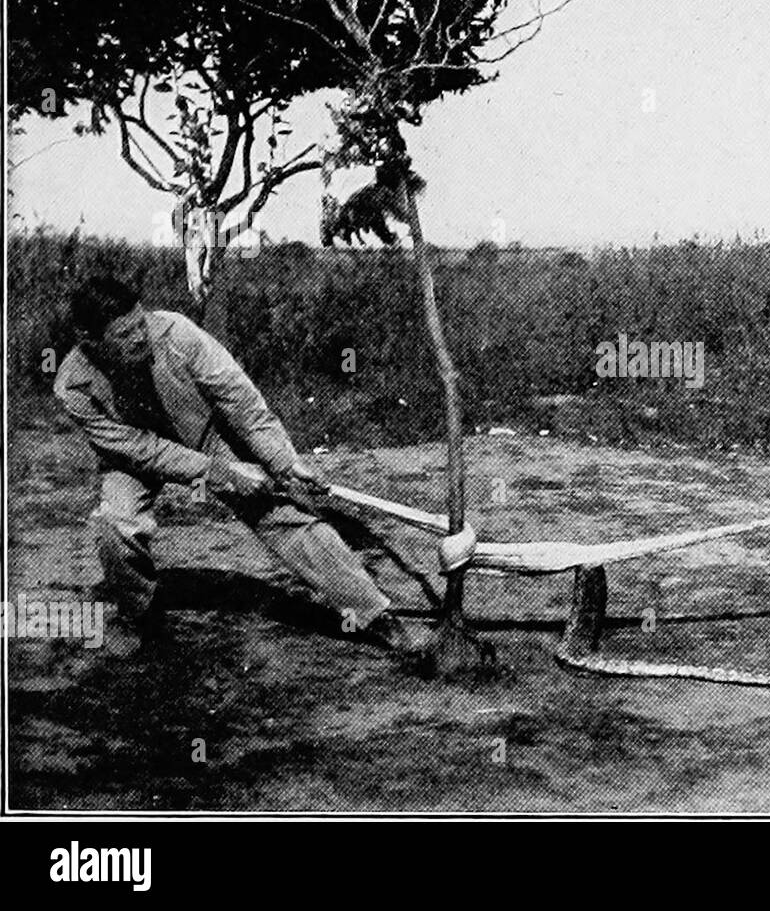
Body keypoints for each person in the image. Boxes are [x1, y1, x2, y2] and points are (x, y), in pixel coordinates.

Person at [53, 273, 473, 674]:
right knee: (114, 525)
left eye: (140, 323)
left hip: (207, 433)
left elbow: (240, 401)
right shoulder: (72, 386)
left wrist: (281, 460)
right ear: (90, 341)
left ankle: (378, 618)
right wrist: (222, 473)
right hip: (137, 458)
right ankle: (137, 616)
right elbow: (143, 450)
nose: (141, 337)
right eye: (124, 335)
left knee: (286, 515)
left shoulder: (177, 334)